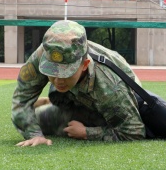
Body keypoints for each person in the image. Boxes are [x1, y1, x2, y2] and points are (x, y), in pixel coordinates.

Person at [11, 20, 146, 146]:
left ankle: (59, 104)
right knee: (35, 121)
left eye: (66, 73)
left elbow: (134, 131)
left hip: (109, 103)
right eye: (52, 71)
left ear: (85, 64)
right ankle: (58, 102)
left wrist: (87, 132)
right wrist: (35, 135)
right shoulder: (45, 52)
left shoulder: (111, 87)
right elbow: (21, 100)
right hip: (77, 92)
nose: (58, 80)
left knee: (52, 121)